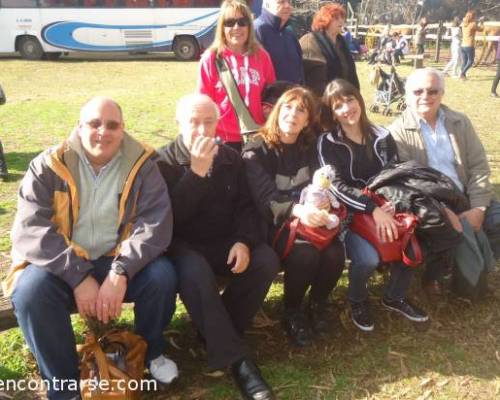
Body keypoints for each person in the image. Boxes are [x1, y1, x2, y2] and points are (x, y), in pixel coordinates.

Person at [2, 97, 179, 400]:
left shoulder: (143, 166)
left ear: (122, 130)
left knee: (162, 278)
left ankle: (149, 352)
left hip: (117, 258)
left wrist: (120, 271)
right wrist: (78, 276)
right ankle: (64, 383)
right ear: (79, 127)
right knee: (30, 292)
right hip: (64, 261)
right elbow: (30, 228)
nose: (103, 132)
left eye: (112, 125)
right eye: (94, 124)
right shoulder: (48, 165)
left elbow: (154, 224)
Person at [156, 93, 278, 400]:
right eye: (193, 122)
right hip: (182, 245)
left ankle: (211, 330)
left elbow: (246, 207)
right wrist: (196, 173)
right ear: (178, 124)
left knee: (265, 260)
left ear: (218, 124)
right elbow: (168, 221)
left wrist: (243, 241)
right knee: (194, 271)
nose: (201, 130)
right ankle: (239, 362)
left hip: (224, 241)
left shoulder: (229, 158)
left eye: (208, 122)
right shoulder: (162, 162)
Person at [317, 79, 429, 332]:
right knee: (367, 259)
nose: (346, 109)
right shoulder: (328, 142)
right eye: (338, 106)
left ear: (359, 100)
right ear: (332, 113)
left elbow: (394, 175)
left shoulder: (382, 135)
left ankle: (395, 296)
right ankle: (357, 300)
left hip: (386, 207)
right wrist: (373, 209)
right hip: (348, 215)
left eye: (349, 100)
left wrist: (390, 203)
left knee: (410, 244)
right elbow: (335, 185)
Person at [243, 87, 345, 346]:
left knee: (334, 252)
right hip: (271, 224)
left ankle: (319, 303)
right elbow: (266, 199)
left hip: (308, 220)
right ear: (277, 111)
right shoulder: (255, 150)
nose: (293, 114)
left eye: (301, 110)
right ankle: (293, 311)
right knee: (305, 253)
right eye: (287, 107)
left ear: (308, 119)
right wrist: (299, 210)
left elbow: (321, 182)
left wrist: (321, 199)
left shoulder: (309, 146)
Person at [389, 68, 494, 297]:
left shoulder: (460, 122)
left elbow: (479, 167)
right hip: (433, 202)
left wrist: (478, 207)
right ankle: (444, 273)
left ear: (442, 94)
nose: (426, 96)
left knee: (496, 221)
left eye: (433, 90)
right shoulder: (397, 132)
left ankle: (476, 265)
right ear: (407, 95)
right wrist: (445, 210)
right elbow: (410, 182)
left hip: (466, 193)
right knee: (447, 227)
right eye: (418, 91)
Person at [198, 0, 276, 151]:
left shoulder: (262, 56)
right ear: (222, 27)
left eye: (242, 22)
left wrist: (267, 109)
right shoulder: (211, 59)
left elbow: (272, 93)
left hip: (257, 137)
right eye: (229, 22)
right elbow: (203, 104)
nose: (236, 27)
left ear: (249, 26)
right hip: (223, 140)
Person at [299, 3, 360, 96]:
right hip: (319, 98)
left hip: (342, 96)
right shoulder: (309, 41)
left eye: (342, 18)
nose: (341, 21)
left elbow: (350, 72)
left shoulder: (341, 42)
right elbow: (307, 75)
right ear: (325, 20)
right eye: (336, 18)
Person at [254, 0, 304, 85]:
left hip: (293, 95)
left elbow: (300, 70)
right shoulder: (256, 30)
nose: (287, 6)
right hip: (270, 96)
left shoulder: (289, 33)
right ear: (267, 5)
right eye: (281, 2)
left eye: (289, 2)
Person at [460, 11, 484, 80]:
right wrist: (481, 22)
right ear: (473, 17)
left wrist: (476, 21)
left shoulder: (463, 23)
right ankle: (462, 73)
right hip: (469, 45)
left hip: (463, 45)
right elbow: (481, 29)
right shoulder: (473, 24)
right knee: (470, 61)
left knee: (464, 62)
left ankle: (463, 76)